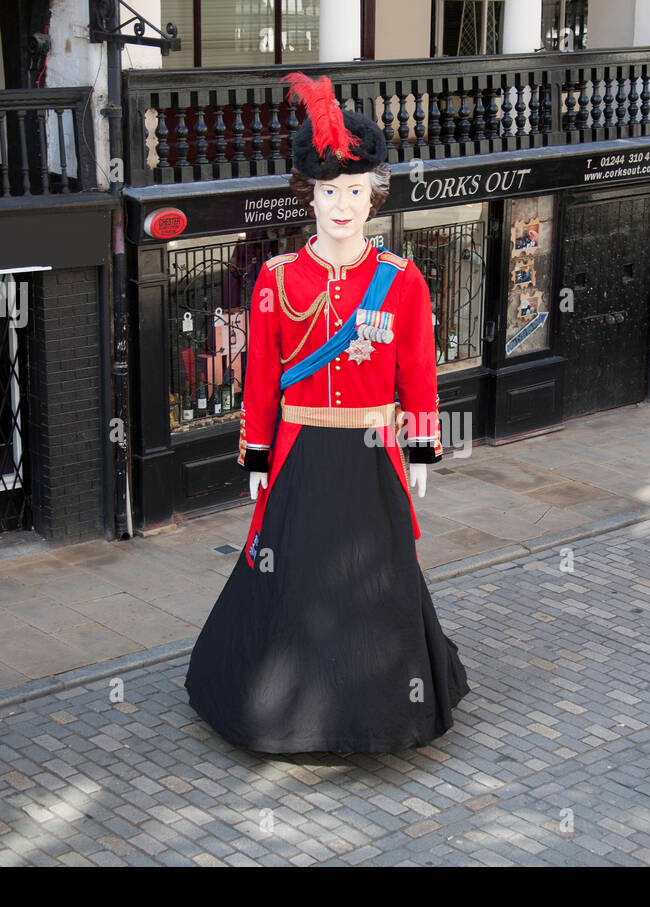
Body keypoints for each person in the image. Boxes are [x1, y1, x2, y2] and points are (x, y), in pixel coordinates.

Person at [185, 73, 469, 753]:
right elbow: (259, 377)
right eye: (326, 192)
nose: (340, 206)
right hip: (300, 454)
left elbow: (418, 373)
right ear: (306, 196)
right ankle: (277, 709)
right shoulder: (277, 279)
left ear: (372, 197)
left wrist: (423, 446)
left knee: (378, 581)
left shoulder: (402, 282)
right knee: (290, 580)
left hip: (373, 453)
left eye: (352, 192)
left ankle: (382, 711)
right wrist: (255, 451)